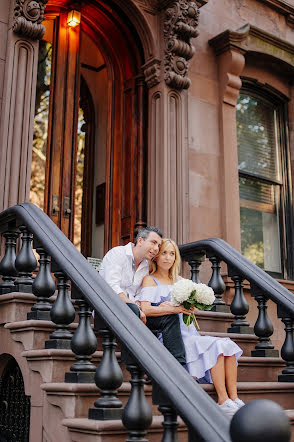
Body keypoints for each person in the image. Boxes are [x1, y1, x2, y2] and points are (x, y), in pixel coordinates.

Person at [137, 238, 244, 417]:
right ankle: (222, 399)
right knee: (215, 347)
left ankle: (234, 398)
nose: (167, 258)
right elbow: (146, 309)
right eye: (163, 253)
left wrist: (190, 307)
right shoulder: (150, 280)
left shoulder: (180, 281)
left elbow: (187, 309)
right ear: (156, 257)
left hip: (189, 331)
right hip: (173, 338)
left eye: (172, 254)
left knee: (228, 346)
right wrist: (171, 308)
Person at [99, 227, 187, 367]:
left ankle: (179, 365)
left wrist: (161, 307)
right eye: (153, 242)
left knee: (169, 316)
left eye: (158, 245)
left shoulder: (146, 265)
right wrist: (135, 307)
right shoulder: (117, 254)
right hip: (109, 308)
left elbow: (141, 296)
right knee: (133, 311)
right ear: (140, 240)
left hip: (135, 312)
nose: (156, 248)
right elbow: (112, 287)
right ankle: (137, 365)